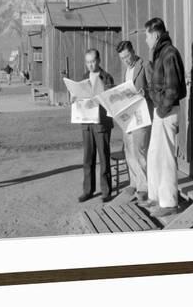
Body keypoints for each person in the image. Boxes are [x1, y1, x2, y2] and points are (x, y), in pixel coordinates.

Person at [138, 18, 186, 217]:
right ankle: (155, 197)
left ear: (156, 35)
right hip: (161, 111)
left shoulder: (169, 53)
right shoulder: (160, 54)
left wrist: (162, 109)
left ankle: (168, 203)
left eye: (147, 36)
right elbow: (159, 85)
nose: (146, 40)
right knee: (154, 155)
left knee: (165, 157)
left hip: (166, 111)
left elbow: (173, 89)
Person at [73, 48, 114, 204]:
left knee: (104, 157)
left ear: (99, 61)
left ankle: (106, 191)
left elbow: (111, 99)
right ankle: (88, 190)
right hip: (86, 123)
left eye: (93, 61)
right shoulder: (83, 78)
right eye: (88, 62)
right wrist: (74, 98)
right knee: (88, 158)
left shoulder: (106, 77)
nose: (90, 65)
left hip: (102, 123)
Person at [116, 40, 153, 202]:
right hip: (127, 116)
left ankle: (145, 187)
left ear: (133, 51)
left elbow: (156, 87)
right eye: (122, 58)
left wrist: (146, 91)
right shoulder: (126, 70)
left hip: (141, 115)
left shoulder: (145, 65)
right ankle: (134, 183)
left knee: (140, 151)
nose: (126, 61)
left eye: (127, 56)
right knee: (129, 151)